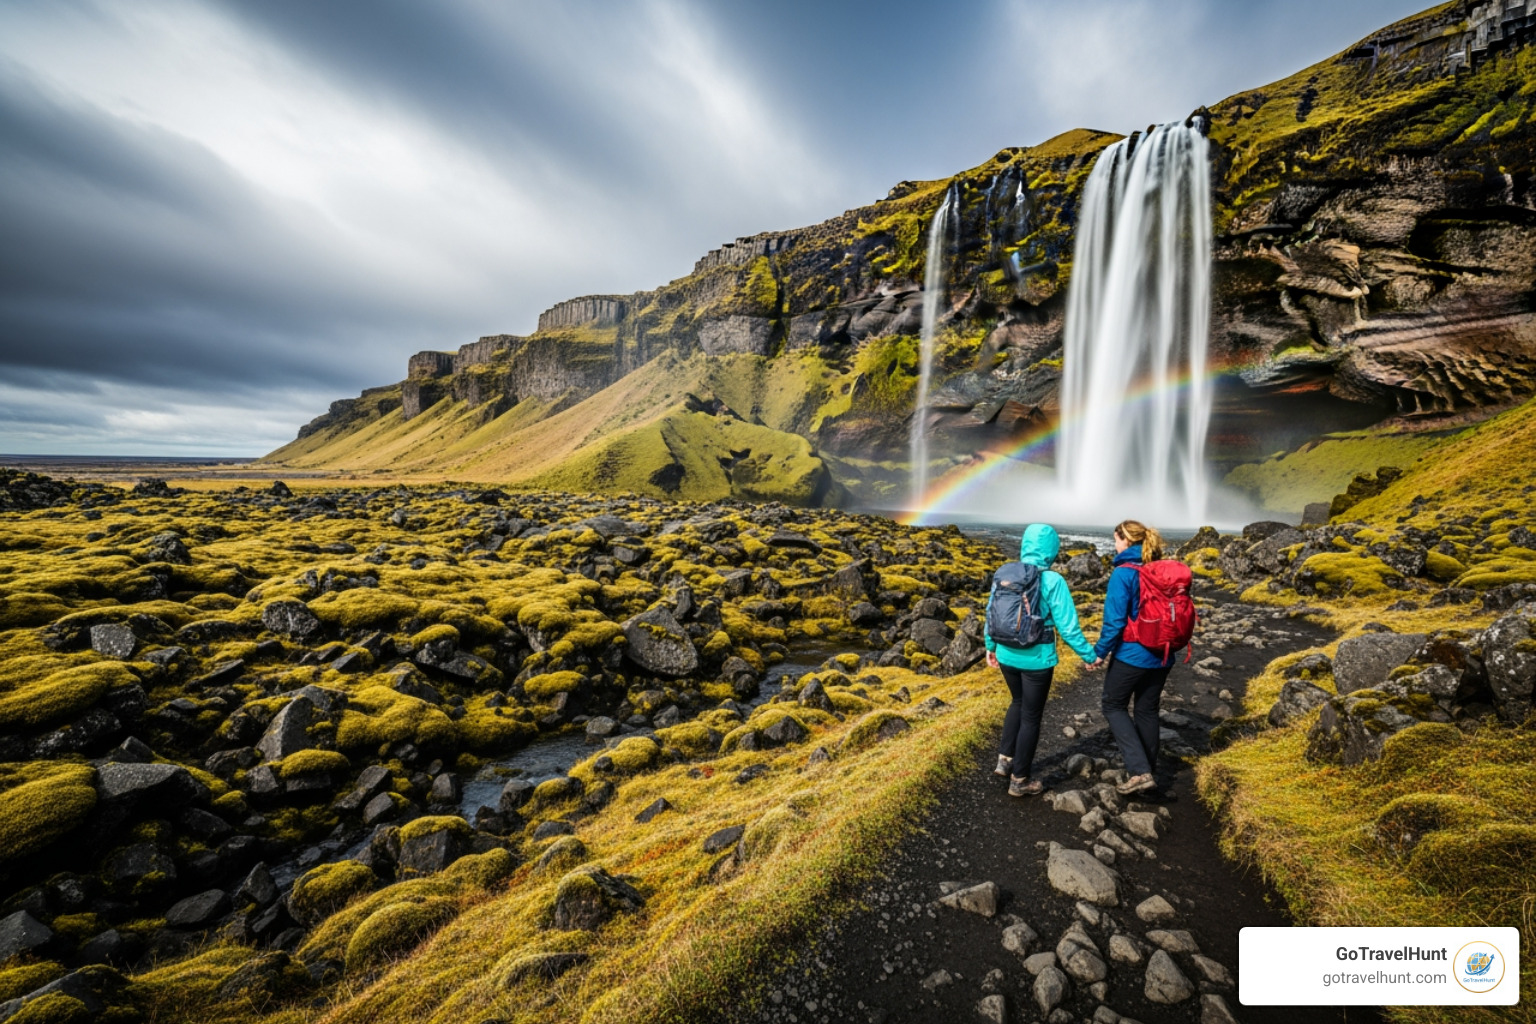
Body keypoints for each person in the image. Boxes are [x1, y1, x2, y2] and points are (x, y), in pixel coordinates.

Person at [984, 523, 1098, 797]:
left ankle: (1005, 761)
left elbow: (991, 614)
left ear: (1025, 544)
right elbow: (1068, 626)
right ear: (1052, 550)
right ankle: (1020, 780)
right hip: (1037, 660)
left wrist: (990, 647)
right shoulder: (1053, 580)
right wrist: (1089, 655)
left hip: (1007, 654)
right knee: (1031, 717)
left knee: (1017, 702)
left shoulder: (1005, 574)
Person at [1092, 519, 1180, 796]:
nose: (1114, 545)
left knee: (1113, 705)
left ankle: (1140, 771)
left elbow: (1115, 622)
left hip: (1133, 654)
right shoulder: (1160, 569)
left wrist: (1099, 653)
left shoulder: (1124, 573)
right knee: (1146, 710)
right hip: (1163, 654)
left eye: (1116, 539)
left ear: (1126, 541)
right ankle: (1148, 774)